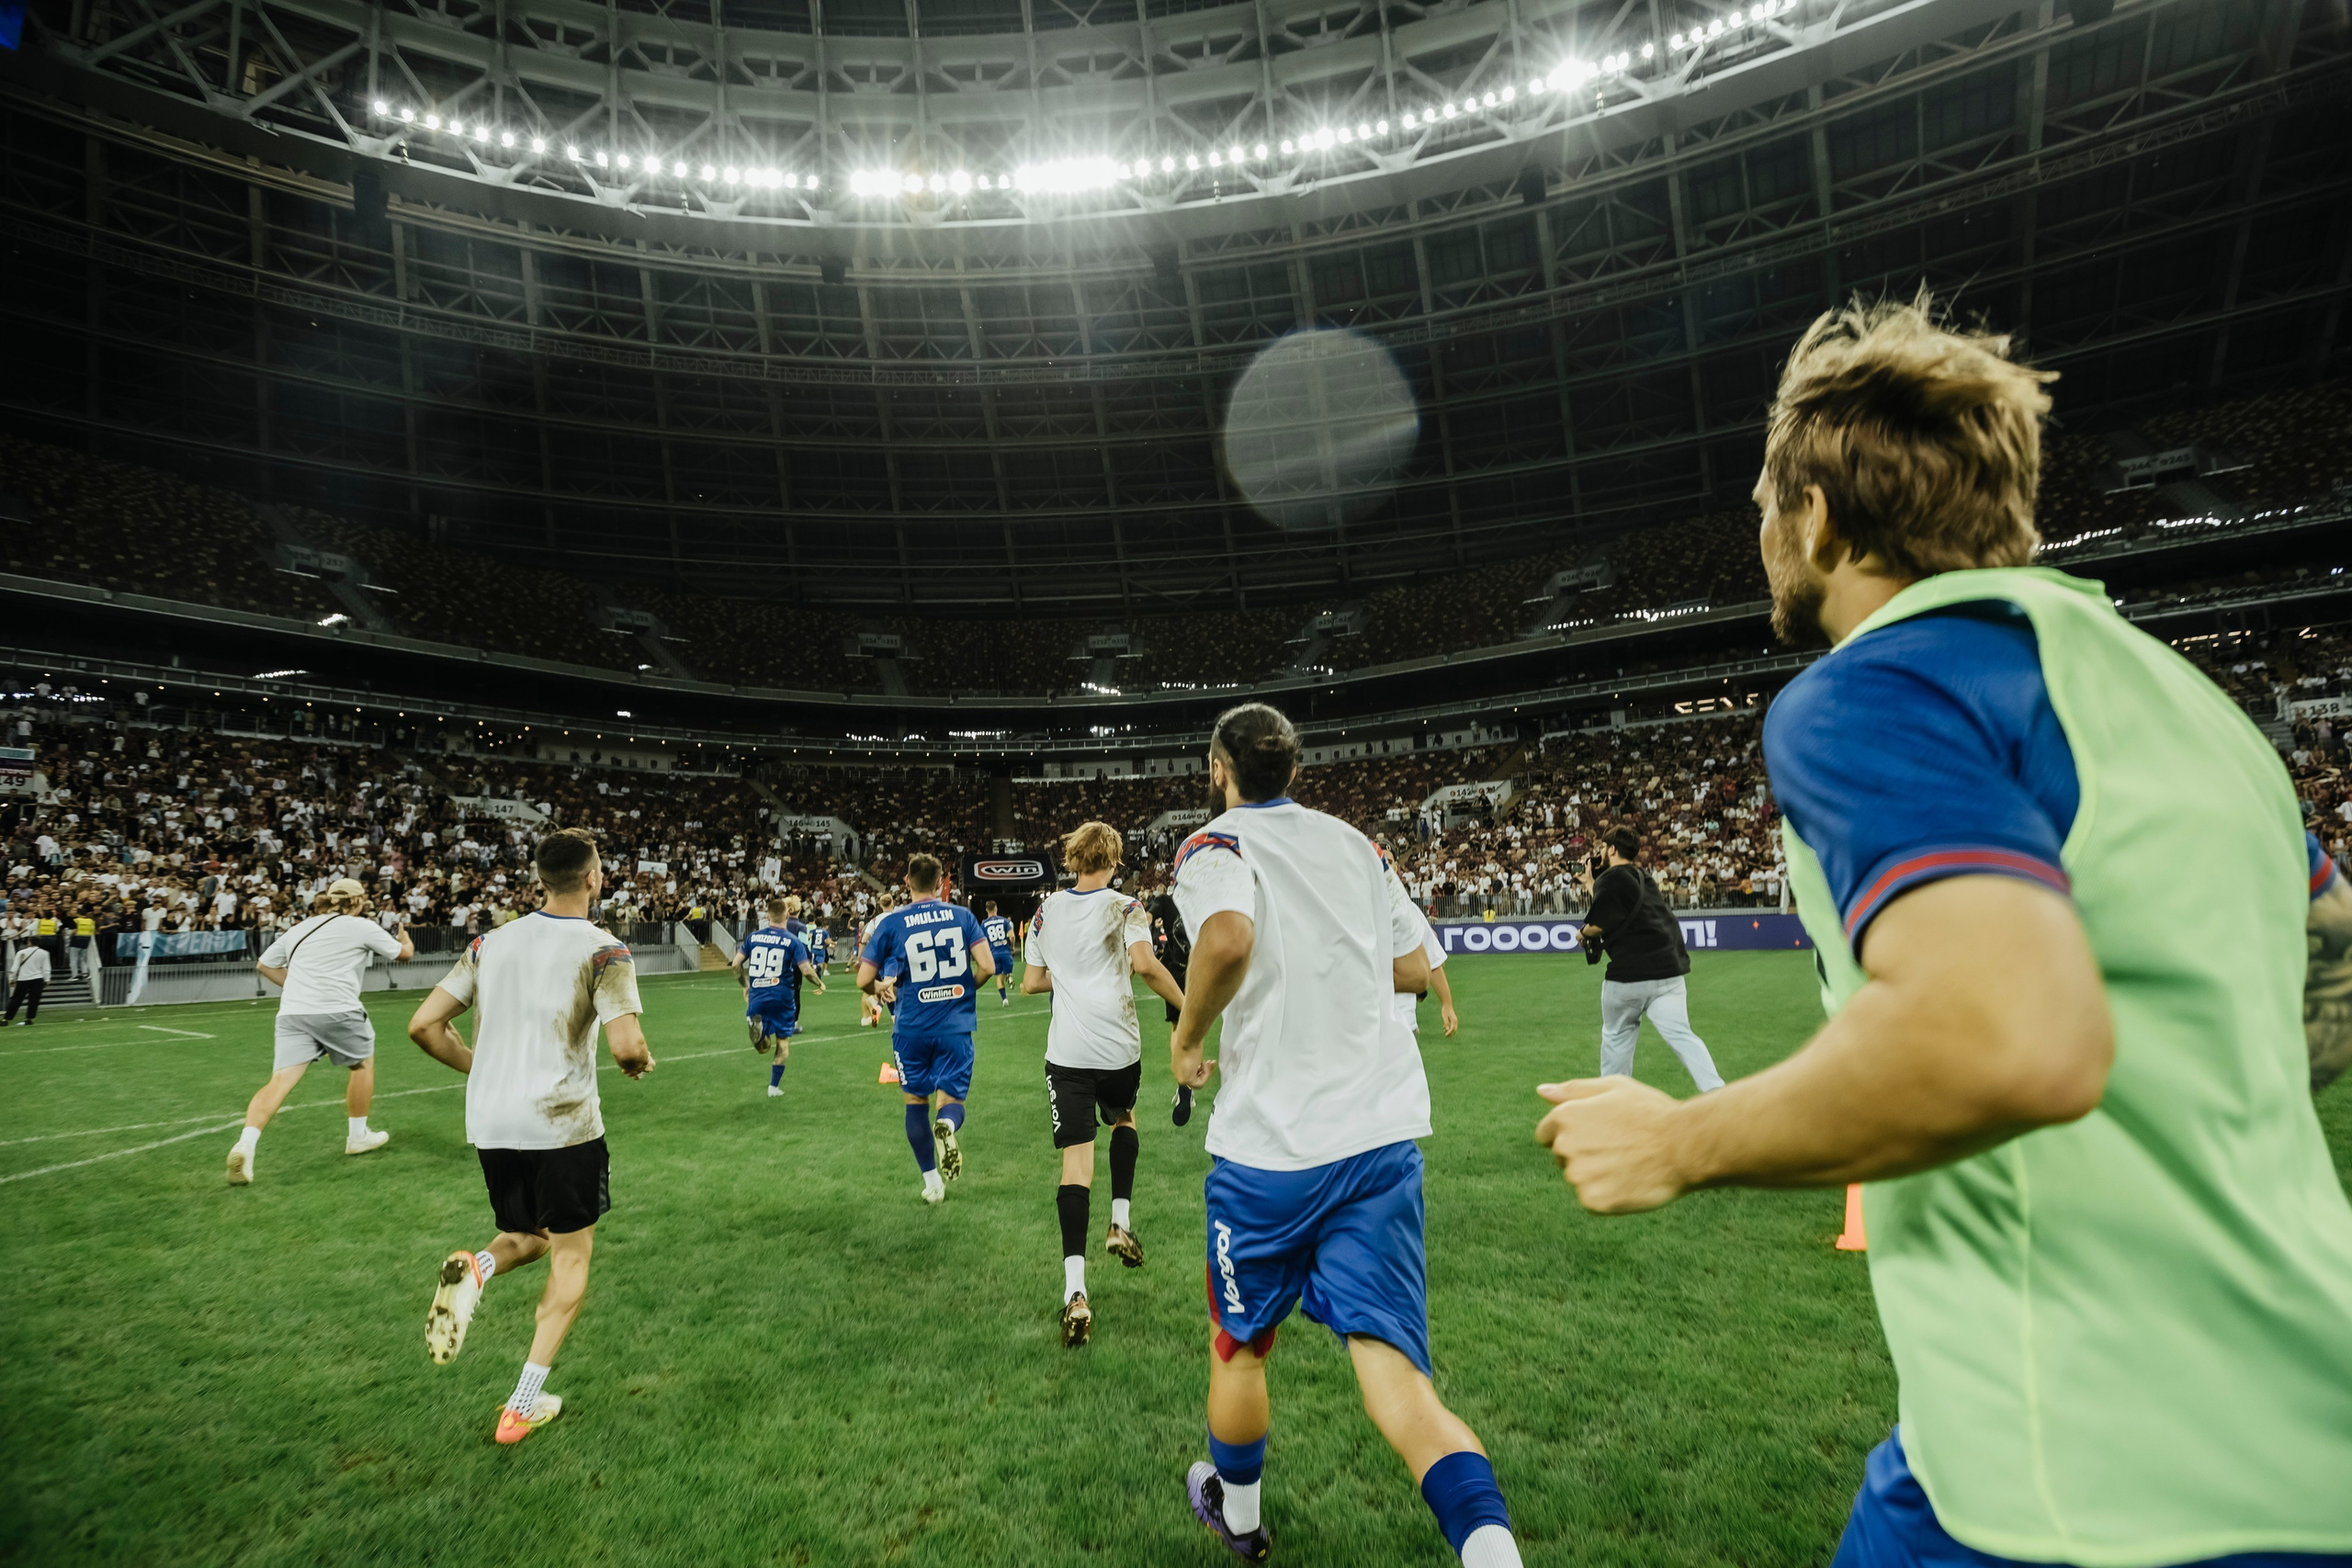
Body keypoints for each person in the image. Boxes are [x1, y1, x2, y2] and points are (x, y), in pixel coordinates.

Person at [1535, 294, 2352, 1568]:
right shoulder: (2187, 701)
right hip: (2303, 1414)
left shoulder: (1879, 684)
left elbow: (2001, 1040)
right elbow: (2331, 971)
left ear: (1816, 517)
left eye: (1765, 509)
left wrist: (1679, 1141)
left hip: (2084, 1466)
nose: (1764, 537)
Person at [1170, 703, 1522, 1568]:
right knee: (1399, 1383)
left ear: (1218, 768)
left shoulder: (1214, 845)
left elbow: (1227, 937)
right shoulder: (1358, 844)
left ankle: (1240, 1517)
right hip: (1377, 1140)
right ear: (1294, 770)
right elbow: (1413, 966)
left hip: (1270, 1150)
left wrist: (1185, 1039)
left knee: (1239, 1347)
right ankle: (1493, 1553)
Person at [407, 828, 654, 1445]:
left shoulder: (489, 943)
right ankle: (521, 1405)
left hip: (493, 1122)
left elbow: (424, 1025)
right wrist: (638, 1061)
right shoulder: (604, 950)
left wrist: (483, 1070)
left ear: (540, 880)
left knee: (531, 1237)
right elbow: (627, 1044)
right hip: (562, 1124)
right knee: (571, 1258)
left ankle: (478, 1266)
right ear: (593, 878)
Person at [1020, 821, 1186, 1347]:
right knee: (1124, 1119)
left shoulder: (1045, 911)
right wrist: (1188, 1006)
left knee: (1075, 1166)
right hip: (1117, 1048)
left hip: (1067, 1054)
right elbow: (1146, 965)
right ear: (1113, 860)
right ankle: (1120, 1221)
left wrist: (1070, 975)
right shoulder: (1125, 906)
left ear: (1073, 860)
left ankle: (1075, 1292)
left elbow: (1031, 982)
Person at [225, 877, 414, 1185]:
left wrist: (300, 986)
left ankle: (245, 1144)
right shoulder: (361, 926)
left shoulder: (300, 928)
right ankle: (358, 1136)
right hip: (337, 1008)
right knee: (362, 1065)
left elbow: (265, 965)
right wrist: (406, 940)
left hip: (293, 1012)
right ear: (357, 901)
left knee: (280, 1081)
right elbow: (403, 955)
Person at [858, 855, 996, 1203]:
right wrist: (963, 992)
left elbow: (863, 979)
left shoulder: (892, 922)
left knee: (915, 1102)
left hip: (911, 1029)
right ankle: (946, 1124)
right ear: (940, 883)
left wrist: (879, 987)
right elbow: (988, 967)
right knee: (950, 1101)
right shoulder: (963, 916)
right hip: (954, 1026)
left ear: (907, 881)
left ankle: (932, 1183)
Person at [1578, 826, 1722, 1091]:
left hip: (1629, 977)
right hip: (1669, 973)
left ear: (1612, 849)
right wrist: (1590, 884)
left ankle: (1614, 1101)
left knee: (1616, 1038)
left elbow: (1597, 923)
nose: (1600, 853)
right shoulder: (1643, 877)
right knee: (1683, 1036)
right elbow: (1611, 905)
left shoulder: (1610, 878)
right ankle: (1716, 1091)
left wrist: (1582, 933)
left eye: (1603, 848)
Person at [732, 894, 823, 1098]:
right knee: (783, 1044)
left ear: (767, 916)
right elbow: (806, 970)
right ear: (787, 915)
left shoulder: (754, 937)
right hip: (782, 998)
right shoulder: (792, 940)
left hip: (757, 996)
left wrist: (745, 985)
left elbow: (736, 963)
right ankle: (773, 1087)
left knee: (763, 1048)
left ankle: (760, 1033)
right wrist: (820, 982)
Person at [1148, 886, 1196, 1124]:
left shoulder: (1166, 901)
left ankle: (1184, 1084)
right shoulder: (1203, 898)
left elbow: (1146, 917)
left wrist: (1139, 948)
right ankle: (1189, 1080)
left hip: (1176, 972)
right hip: (1201, 969)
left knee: (1177, 1027)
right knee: (1195, 1028)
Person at [5, 935, 50, 1025]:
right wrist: (47, 979)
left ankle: (6, 1019)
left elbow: (15, 967)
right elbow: (46, 968)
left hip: (23, 978)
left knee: (16, 999)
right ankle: (29, 1018)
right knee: (34, 999)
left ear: (29, 942)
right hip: (37, 978)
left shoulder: (21, 953)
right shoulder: (44, 953)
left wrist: (12, 978)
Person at [981, 900, 1018, 1007]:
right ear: (996, 908)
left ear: (986, 910)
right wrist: (1012, 947)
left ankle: (1004, 999)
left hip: (993, 953)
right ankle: (1009, 976)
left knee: (998, 976)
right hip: (1005, 951)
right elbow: (1012, 936)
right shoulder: (1004, 921)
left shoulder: (984, 924)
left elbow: (982, 940)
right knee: (1007, 971)